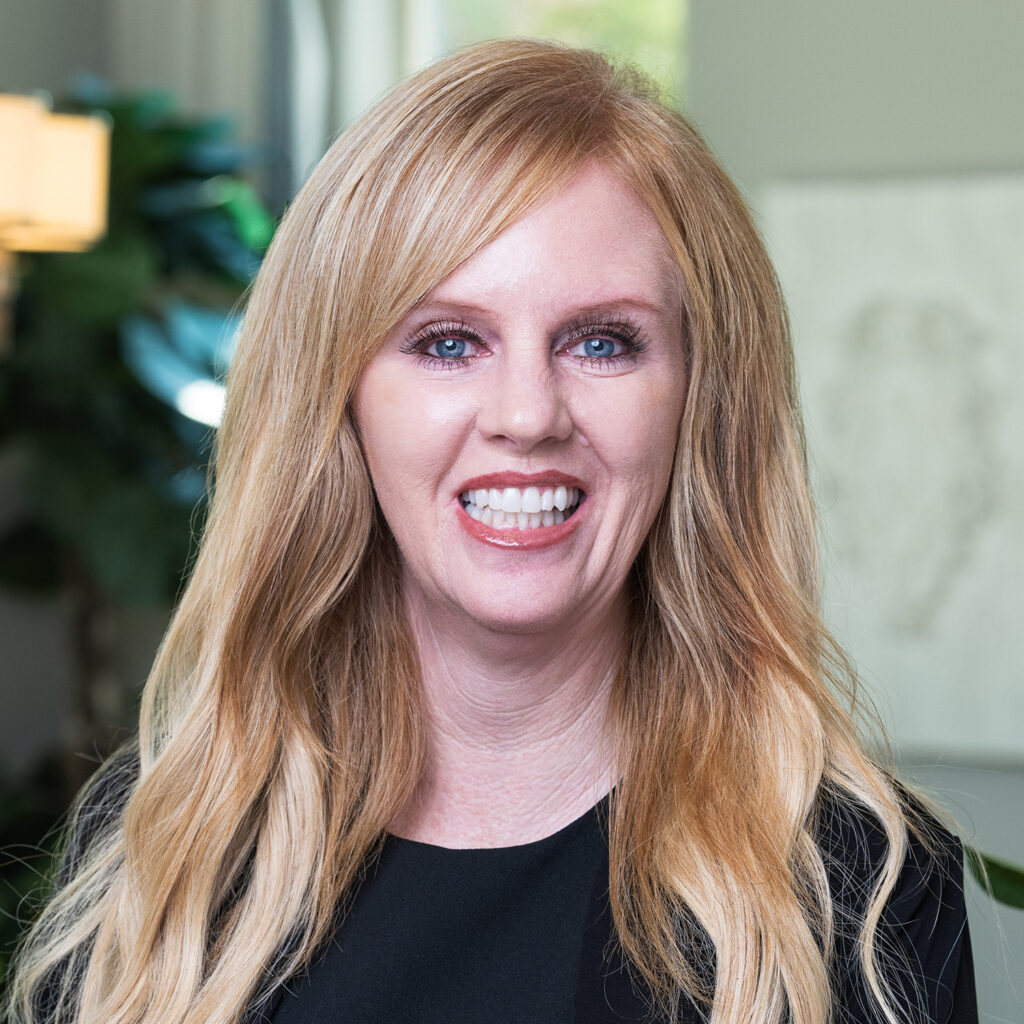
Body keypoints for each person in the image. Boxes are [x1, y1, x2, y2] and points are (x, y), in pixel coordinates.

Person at [8, 39, 976, 1024]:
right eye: (447, 341)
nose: (526, 414)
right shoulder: (167, 847)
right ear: (339, 404)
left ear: (700, 402)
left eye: (602, 341)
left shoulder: (856, 889)